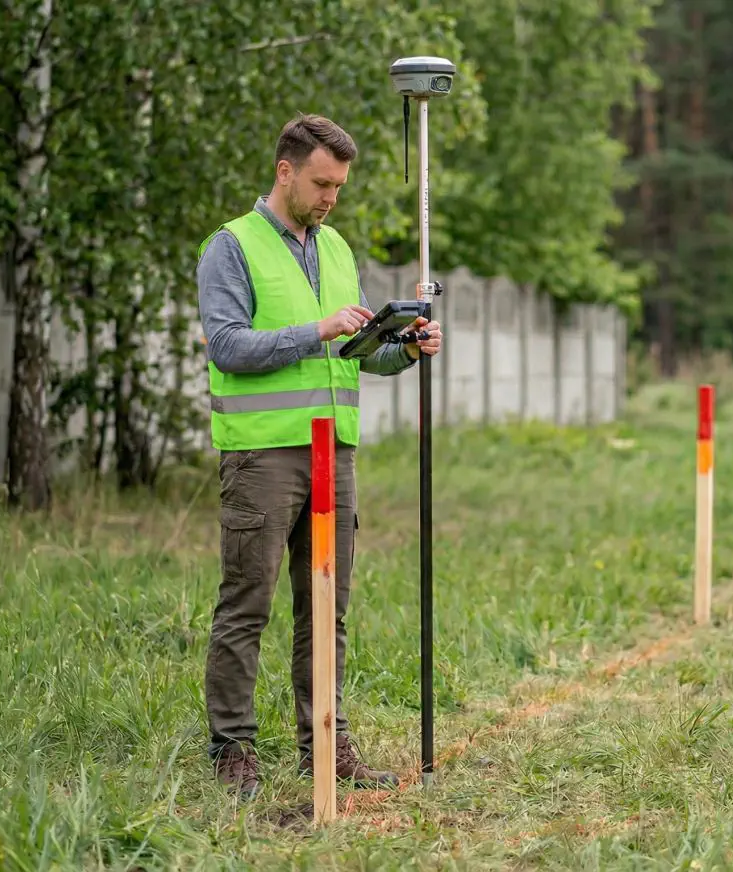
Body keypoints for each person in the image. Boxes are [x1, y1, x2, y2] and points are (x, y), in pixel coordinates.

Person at [196, 113, 442, 799]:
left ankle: (327, 746)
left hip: (335, 452)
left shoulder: (334, 248)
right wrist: (316, 329)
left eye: (339, 186)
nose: (331, 197)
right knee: (248, 604)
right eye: (321, 182)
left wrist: (404, 349)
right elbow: (230, 346)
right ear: (285, 171)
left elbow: (352, 355)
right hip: (265, 456)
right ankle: (233, 750)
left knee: (326, 607)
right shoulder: (231, 247)